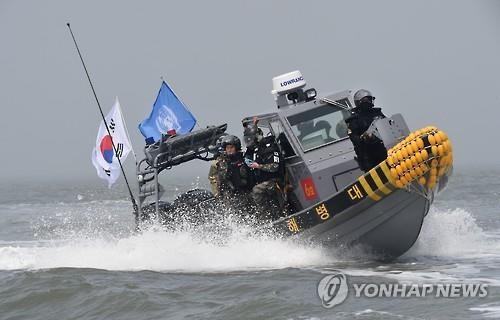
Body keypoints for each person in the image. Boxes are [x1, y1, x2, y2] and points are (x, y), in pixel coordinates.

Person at [243, 119, 283, 220]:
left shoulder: (268, 148)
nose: (249, 142)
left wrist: (259, 166)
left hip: (274, 180)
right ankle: (263, 217)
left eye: (250, 139)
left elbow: (274, 166)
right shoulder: (255, 150)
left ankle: (266, 216)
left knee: (256, 191)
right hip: (263, 181)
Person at [345, 89, 387, 171]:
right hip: (369, 157)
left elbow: (387, 125)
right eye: (365, 100)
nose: (368, 101)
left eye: (369, 99)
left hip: (384, 150)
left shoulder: (377, 113)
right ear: (359, 102)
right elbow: (353, 137)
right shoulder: (354, 120)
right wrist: (364, 137)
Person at [212, 135, 252, 201]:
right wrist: (217, 193)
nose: (230, 150)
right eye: (228, 148)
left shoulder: (244, 159)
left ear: (236, 148)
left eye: (232, 147)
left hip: (245, 190)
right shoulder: (221, 162)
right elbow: (216, 179)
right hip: (229, 193)